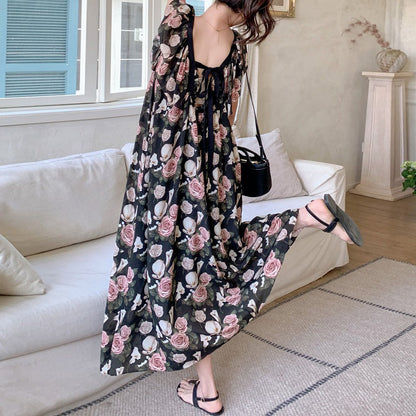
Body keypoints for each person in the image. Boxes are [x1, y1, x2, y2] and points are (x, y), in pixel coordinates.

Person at [99, 1, 363, 415]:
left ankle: (207, 391)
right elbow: (229, 114)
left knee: (181, 271)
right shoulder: (237, 49)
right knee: (218, 260)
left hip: (168, 171)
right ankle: (304, 216)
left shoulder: (178, 20)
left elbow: (160, 92)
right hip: (219, 170)